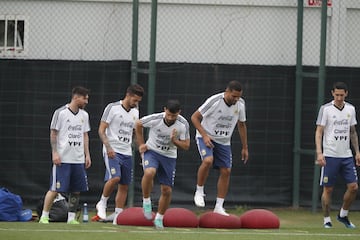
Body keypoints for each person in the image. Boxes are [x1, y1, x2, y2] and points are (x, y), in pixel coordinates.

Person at [192, 80, 249, 216]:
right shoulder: (214, 101)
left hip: (224, 141)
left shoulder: (240, 104)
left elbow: (242, 125)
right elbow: (194, 117)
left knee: (226, 171)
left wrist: (245, 147)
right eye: (233, 96)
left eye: (238, 97)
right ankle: (199, 191)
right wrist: (205, 136)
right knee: (208, 161)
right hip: (206, 136)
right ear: (227, 92)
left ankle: (219, 206)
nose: (236, 99)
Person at [39, 86, 91, 224]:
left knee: (76, 190)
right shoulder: (61, 113)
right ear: (76, 97)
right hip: (63, 158)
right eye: (84, 99)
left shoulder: (84, 115)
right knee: (55, 188)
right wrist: (55, 152)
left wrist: (87, 155)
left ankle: (71, 218)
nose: (86, 102)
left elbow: (85, 135)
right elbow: (53, 133)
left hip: (78, 159)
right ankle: (44, 216)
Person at [135, 99, 190, 229]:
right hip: (152, 151)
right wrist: (141, 144)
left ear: (179, 113)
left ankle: (159, 218)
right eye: (169, 114)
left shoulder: (183, 124)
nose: (170, 118)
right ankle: (146, 201)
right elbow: (138, 124)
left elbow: (186, 146)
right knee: (149, 172)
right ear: (165, 110)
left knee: (166, 190)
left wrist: (174, 141)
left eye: (174, 115)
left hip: (169, 156)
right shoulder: (156, 118)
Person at [95, 84, 144, 225]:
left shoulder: (135, 112)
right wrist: (108, 147)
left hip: (127, 152)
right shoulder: (113, 108)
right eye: (134, 100)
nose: (136, 103)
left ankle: (118, 216)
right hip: (112, 150)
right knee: (115, 178)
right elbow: (101, 130)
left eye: (138, 101)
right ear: (128, 95)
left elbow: (135, 134)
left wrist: (140, 148)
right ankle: (102, 203)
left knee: (124, 185)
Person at [315, 81, 360, 229]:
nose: (339, 98)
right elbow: (319, 132)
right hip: (330, 155)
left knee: (353, 187)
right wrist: (320, 153)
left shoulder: (351, 109)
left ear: (346, 94)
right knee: (328, 189)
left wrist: (357, 152)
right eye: (337, 95)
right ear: (332, 93)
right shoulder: (326, 109)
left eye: (342, 95)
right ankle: (327, 219)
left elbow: (352, 132)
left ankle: (343, 215)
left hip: (346, 155)